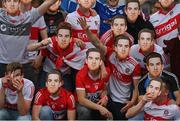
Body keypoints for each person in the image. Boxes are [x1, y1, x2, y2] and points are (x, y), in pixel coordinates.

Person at [78, 17, 141, 119]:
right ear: (115, 48)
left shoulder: (134, 65)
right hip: (106, 97)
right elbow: (97, 43)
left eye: (126, 46)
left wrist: (132, 101)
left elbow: (136, 86)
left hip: (122, 101)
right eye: (120, 46)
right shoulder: (111, 54)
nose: (123, 49)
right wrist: (86, 30)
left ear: (130, 48)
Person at [0, 0, 59, 80]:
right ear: (4, 4)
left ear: (19, 3)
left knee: (27, 91)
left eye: (15, 1)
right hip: (2, 64)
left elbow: (49, 2)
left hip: (24, 65)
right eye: (9, 1)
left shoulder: (29, 17)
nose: (12, 4)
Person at [36, 22, 88, 91]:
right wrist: (41, 45)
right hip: (48, 71)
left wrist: (102, 67)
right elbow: (35, 59)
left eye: (66, 36)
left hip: (65, 74)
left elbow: (89, 55)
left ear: (70, 38)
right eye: (60, 36)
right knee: (41, 92)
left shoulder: (76, 46)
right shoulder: (50, 43)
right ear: (56, 37)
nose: (63, 39)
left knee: (68, 94)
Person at [76, 48, 112, 120]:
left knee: (110, 106)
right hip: (83, 104)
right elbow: (81, 99)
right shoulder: (80, 75)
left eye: (96, 59)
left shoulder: (106, 72)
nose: (93, 61)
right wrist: (99, 108)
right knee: (84, 111)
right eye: (90, 58)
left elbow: (104, 89)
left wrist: (104, 97)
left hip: (97, 100)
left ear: (100, 62)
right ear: (86, 61)